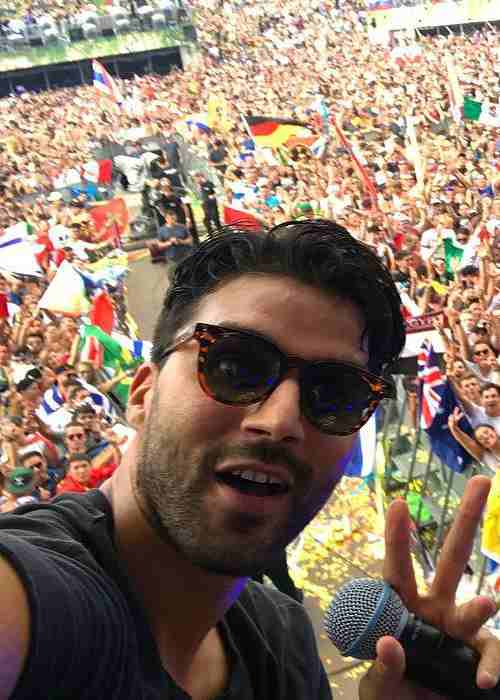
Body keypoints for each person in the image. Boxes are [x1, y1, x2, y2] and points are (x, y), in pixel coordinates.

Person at [0, 222, 499, 700]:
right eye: (234, 365)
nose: (281, 420)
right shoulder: (32, 599)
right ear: (142, 394)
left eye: (335, 394)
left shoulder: (285, 645)